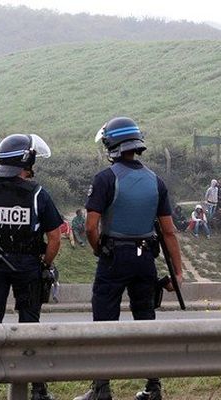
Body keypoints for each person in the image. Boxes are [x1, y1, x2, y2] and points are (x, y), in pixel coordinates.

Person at [74, 117, 183, 400]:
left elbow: (90, 226)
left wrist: (100, 249)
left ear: (111, 144)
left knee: (104, 324)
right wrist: (179, 273)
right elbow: (169, 232)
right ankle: (153, 387)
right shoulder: (155, 181)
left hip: (114, 257)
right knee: (145, 320)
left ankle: (102, 389)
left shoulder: (105, 178)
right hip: (146, 257)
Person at [0, 133, 62, 400]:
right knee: (30, 327)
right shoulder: (39, 193)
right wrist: (44, 264)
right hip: (28, 267)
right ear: (26, 160)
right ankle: (38, 390)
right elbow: (54, 238)